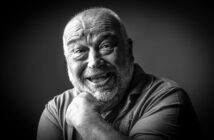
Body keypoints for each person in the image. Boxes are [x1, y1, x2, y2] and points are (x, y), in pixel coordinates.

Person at [37, 7, 202, 140]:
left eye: (106, 45)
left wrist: (87, 121)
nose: (94, 62)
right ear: (68, 62)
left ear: (129, 50)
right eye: (79, 51)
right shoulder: (56, 110)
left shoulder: (168, 98)